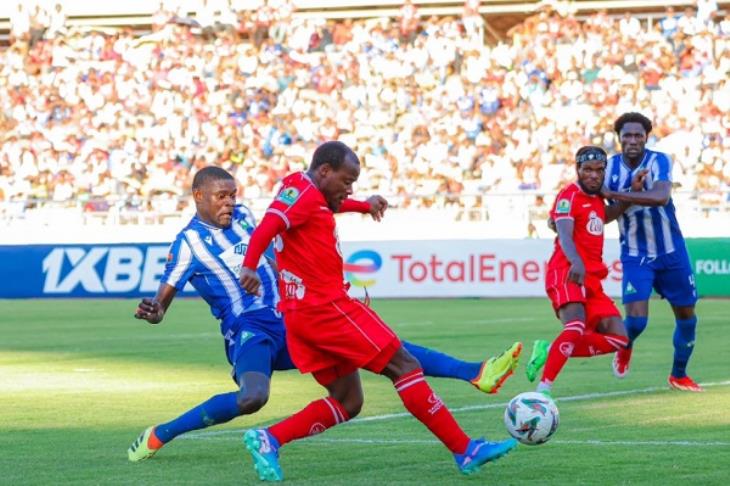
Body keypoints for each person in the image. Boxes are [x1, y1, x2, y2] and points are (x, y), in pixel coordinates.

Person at [127, 166, 522, 462]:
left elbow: (300, 209)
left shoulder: (247, 215)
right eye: (221, 197)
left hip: (289, 316)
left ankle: (474, 372)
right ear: (199, 196)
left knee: (373, 361)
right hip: (248, 328)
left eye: (232, 194)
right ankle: (163, 433)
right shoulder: (187, 244)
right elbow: (162, 301)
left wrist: (358, 207)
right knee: (252, 397)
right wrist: (154, 310)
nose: (230, 202)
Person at [238, 142, 519, 481]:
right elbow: (268, 225)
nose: (350, 188)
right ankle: (465, 449)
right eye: (347, 180)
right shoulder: (302, 192)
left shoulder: (302, 188)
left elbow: (316, 207)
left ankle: (269, 439)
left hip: (301, 317)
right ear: (325, 171)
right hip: (327, 309)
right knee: (404, 365)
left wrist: (361, 205)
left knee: (348, 400)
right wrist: (250, 266)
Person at [525, 146, 640, 396]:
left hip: (592, 280)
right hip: (567, 271)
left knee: (620, 339)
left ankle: (548, 350)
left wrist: (632, 195)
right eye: (587, 169)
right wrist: (576, 261)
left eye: (599, 170)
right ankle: (543, 390)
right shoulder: (568, 196)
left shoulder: (598, 198)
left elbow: (607, 214)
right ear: (578, 169)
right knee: (575, 326)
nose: (593, 175)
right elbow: (564, 234)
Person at [601, 112, 702, 392]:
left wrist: (618, 193)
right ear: (619, 138)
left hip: (671, 252)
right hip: (636, 254)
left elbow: (660, 197)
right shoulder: (609, 168)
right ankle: (626, 345)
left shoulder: (659, 160)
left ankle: (678, 375)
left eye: (638, 135)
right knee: (635, 322)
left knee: (687, 318)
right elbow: (606, 216)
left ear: (646, 137)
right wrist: (619, 195)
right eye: (627, 135)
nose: (632, 140)